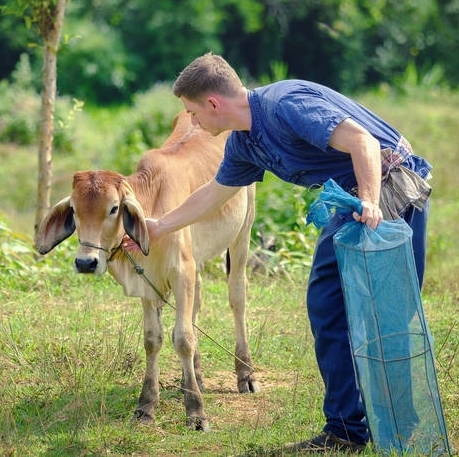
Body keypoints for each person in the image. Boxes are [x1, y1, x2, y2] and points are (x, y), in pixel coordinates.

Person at [142, 52, 432, 453]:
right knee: (326, 301)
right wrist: (157, 226)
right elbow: (212, 194)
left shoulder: (286, 106)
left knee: (391, 312)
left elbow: (363, 141)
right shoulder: (245, 142)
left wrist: (369, 202)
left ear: (213, 104)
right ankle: (345, 431)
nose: (191, 123)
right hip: (352, 199)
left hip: (392, 187)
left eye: (192, 113)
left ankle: (406, 431)